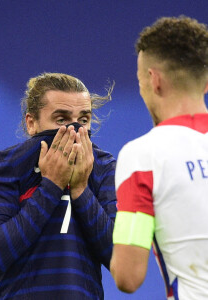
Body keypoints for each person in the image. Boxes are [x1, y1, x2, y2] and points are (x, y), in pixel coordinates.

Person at [0, 72, 117, 299]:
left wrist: (80, 189)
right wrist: (52, 185)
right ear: (31, 123)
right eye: (61, 120)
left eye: (83, 120)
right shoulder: (2, 166)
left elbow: (120, 259)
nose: (73, 131)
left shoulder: (103, 167)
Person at [110, 16, 208, 299]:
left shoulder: (142, 157)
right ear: (205, 82)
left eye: (140, 80)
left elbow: (129, 276)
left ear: (154, 80)